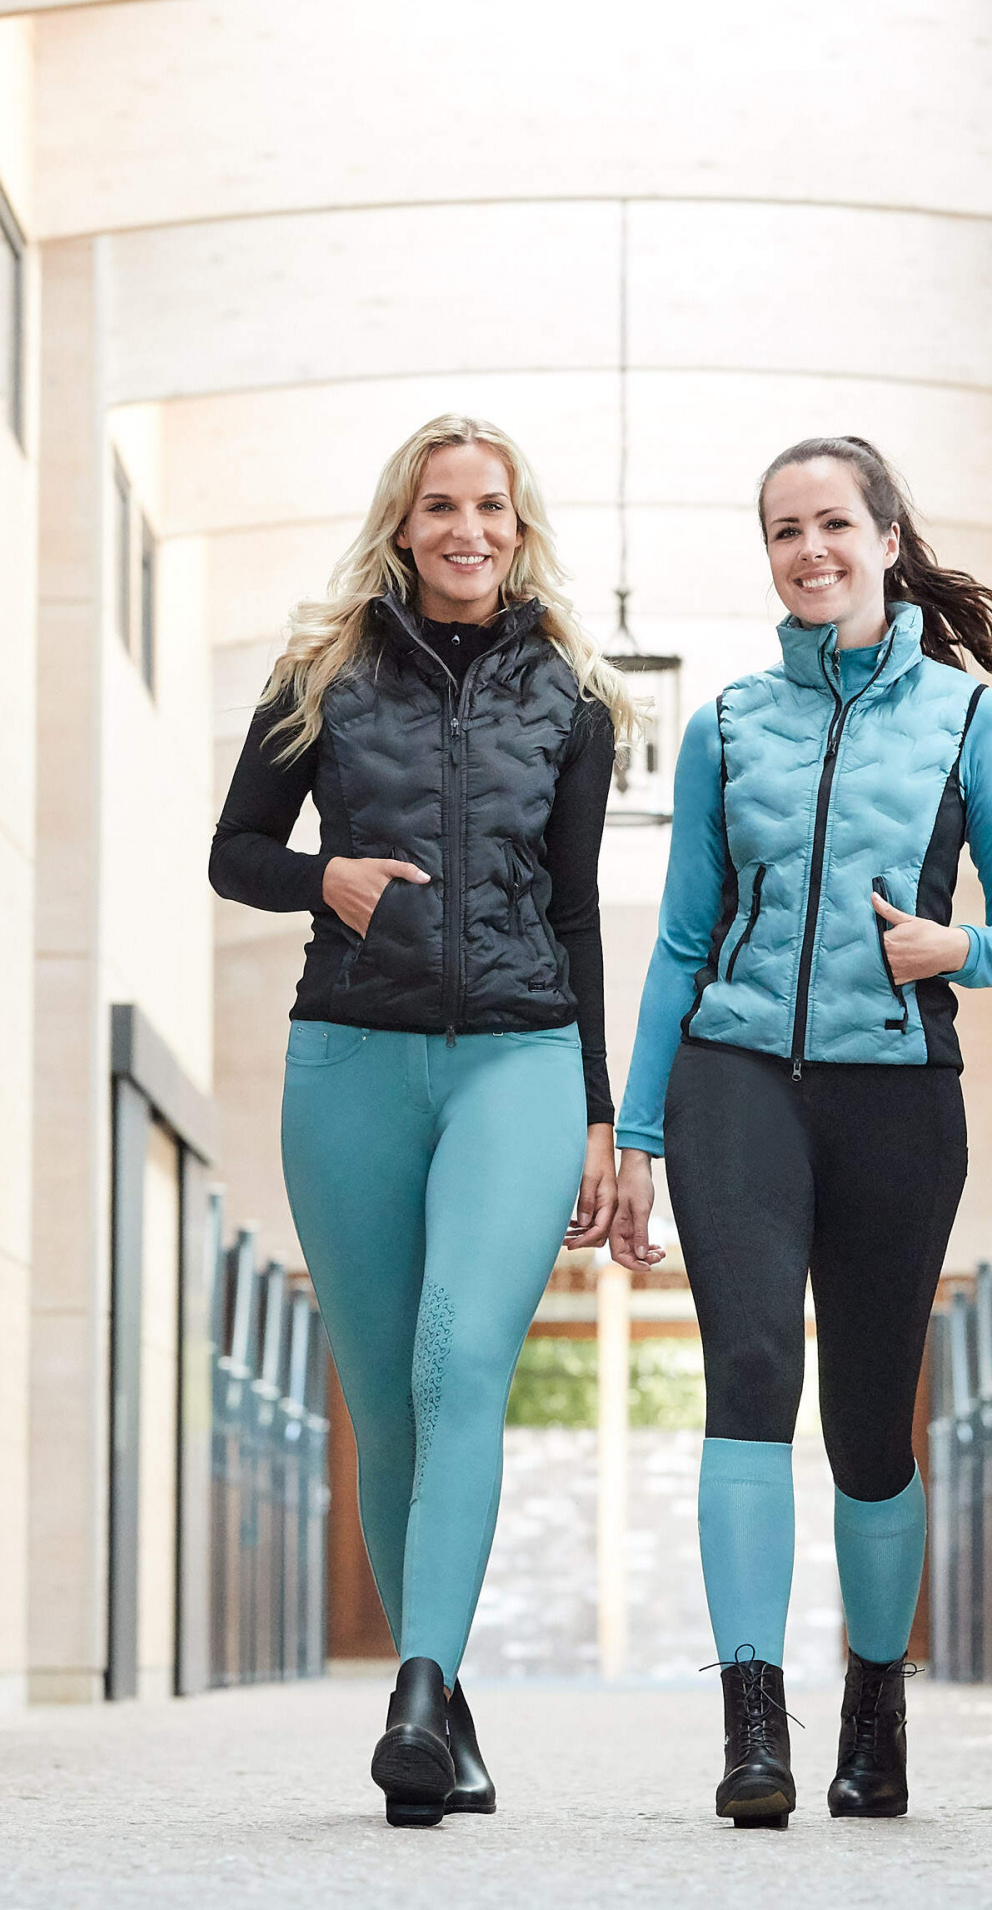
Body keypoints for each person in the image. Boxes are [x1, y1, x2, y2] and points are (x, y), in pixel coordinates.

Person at [610, 435, 992, 1827]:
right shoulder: (727, 725)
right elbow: (681, 944)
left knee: (870, 1422)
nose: (810, 551)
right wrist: (637, 1136)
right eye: (784, 532)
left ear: (886, 538)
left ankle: (875, 1702)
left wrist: (953, 950)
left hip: (898, 1094)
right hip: (736, 1078)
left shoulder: (970, 721)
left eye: (832, 525)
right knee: (749, 1373)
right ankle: (753, 1724)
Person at [210, 414, 631, 1827]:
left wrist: (597, 1113)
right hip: (349, 1061)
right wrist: (319, 878)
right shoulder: (320, 675)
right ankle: (445, 1713)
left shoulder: (574, 697)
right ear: (403, 524)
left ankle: (414, 1695)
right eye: (442, 506)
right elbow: (234, 852)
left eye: (492, 508)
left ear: (521, 527)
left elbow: (578, 913)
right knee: (384, 1398)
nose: (468, 530)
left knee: (462, 1359)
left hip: (518, 1058)